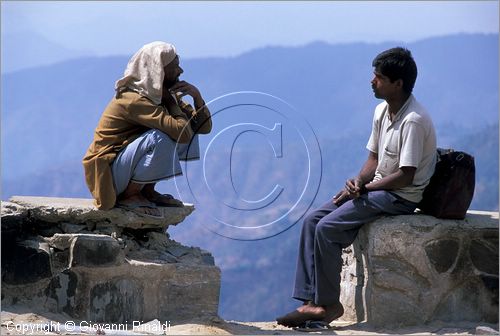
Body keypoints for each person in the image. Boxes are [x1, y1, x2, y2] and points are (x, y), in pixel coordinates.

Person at [276, 47, 436, 328]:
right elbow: (373, 158)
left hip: (399, 196)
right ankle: (308, 302)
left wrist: (367, 189)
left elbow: (406, 176)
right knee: (312, 220)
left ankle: (328, 305)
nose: (372, 81)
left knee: (327, 229)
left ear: (398, 84)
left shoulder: (414, 120)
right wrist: (359, 181)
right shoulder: (382, 111)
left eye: (379, 77)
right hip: (377, 189)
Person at [83, 42, 212, 217]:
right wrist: (172, 104)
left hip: (123, 167)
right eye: (175, 67)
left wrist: (197, 97)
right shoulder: (135, 99)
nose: (180, 71)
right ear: (158, 70)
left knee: (182, 130)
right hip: (108, 174)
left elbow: (203, 129)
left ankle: (147, 191)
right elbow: (182, 134)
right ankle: (131, 195)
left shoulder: (160, 94)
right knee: (162, 136)